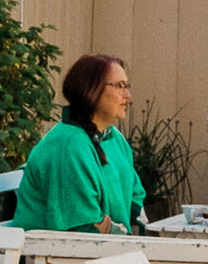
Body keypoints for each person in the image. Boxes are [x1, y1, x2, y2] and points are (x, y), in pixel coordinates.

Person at [13, 53, 143, 231]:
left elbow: (135, 197)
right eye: (120, 86)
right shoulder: (69, 145)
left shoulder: (113, 137)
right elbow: (82, 225)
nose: (127, 95)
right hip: (54, 253)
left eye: (127, 86)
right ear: (91, 90)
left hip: (104, 247)